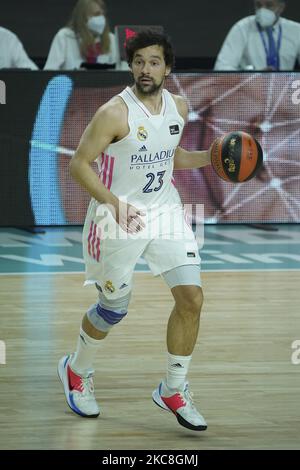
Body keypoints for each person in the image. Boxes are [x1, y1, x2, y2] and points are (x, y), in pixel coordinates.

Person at [58, 29, 213, 432]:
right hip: (116, 218)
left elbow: (170, 157)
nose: (146, 69)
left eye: (154, 61)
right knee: (113, 310)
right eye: (139, 61)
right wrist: (115, 204)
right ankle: (76, 370)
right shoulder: (114, 112)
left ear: (168, 68)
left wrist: (210, 158)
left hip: (164, 211)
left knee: (192, 298)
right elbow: (78, 164)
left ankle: (173, 388)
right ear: (131, 65)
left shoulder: (178, 106)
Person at [214, 0, 300, 71]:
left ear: (281, 8)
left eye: (269, 5)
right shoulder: (241, 28)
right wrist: (252, 77)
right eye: (258, 5)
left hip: (285, 89)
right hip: (249, 89)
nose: (263, 10)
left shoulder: (296, 30)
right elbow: (221, 68)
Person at [44, 0, 117, 70]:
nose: (102, 18)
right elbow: (49, 74)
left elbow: (121, 72)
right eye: (96, 14)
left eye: (103, 14)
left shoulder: (111, 39)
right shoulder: (64, 37)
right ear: (82, 17)